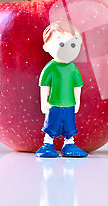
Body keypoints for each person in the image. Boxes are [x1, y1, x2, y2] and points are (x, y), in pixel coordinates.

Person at [36, 20, 88, 158]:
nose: (68, 49)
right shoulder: (50, 68)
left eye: (73, 44)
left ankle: (69, 144)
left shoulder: (72, 68)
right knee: (51, 124)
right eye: (61, 44)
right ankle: (47, 144)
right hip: (54, 103)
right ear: (47, 47)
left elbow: (77, 85)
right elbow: (44, 86)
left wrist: (77, 101)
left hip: (69, 104)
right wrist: (44, 103)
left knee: (69, 125)